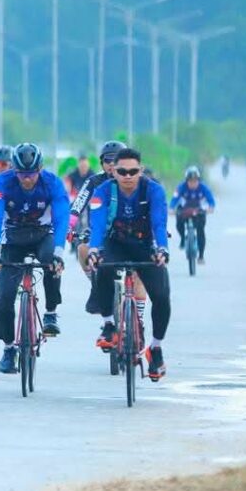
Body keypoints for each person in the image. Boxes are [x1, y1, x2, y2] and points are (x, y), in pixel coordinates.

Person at [87, 147, 171, 381]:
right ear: (113, 171)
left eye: (133, 171)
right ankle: (109, 325)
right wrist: (94, 249)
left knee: (162, 295)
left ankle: (155, 349)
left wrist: (162, 248)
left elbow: (159, 222)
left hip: (145, 246)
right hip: (116, 243)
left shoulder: (153, 190)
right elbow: (98, 222)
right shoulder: (103, 192)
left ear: (140, 170)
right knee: (100, 267)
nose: (127, 176)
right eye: (122, 171)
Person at [0, 142, 69, 374]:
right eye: (22, 174)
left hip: (42, 234)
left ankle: (51, 311)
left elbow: (62, 217)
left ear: (40, 168)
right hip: (13, 237)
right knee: (3, 298)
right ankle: (8, 348)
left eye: (31, 174)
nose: (26, 179)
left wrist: (59, 253)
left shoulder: (52, 182)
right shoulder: (2, 182)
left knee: (51, 263)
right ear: (14, 170)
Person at [68, 140, 126, 313]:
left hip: (129, 232)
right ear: (102, 163)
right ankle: (96, 285)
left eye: (116, 161)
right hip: (100, 232)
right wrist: (69, 226)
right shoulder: (94, 182)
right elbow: (77, 204)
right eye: (108, 160)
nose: (112, 165)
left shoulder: (133, 180)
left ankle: (137, 317)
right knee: (83, 249)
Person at [170, 165, 216, 264]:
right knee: (178, 222)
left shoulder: (204, 187)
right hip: (184, 210)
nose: (193, 183)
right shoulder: (181, 187)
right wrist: (171, 208)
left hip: (198, 211)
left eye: (195, 181)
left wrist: (211, 207)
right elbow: (175, 199)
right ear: (186, 181)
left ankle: (201, 256)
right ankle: (183, 238)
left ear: (198, 180)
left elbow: (210, 199)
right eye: (190, 181)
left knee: (201, 231)